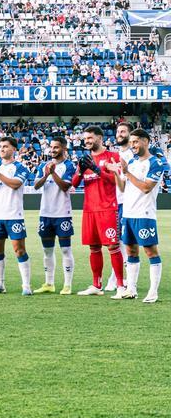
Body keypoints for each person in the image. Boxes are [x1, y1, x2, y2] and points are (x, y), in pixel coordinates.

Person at [109, 128, 163, 303]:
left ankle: (153, 291)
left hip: (144, 214)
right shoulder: (131, 161)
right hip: (129, 213)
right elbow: (123, 188)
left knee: (150, 251)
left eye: (135, 142)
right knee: (130, 250)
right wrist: (117, 173)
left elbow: (146, 187)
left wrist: (126, 173)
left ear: (145, 141)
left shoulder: (155, 163)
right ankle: (131, 289)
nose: (132, 145)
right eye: (131, 142)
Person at [72, 126, 125, 297]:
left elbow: (114, 181)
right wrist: (80, 170)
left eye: (90, 138)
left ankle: (121, 285)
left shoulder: (113, 157)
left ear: (100, 138)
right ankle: (96, 285)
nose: (86, 141)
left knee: (113, 246)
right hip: (89, 210)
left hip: (107, 208)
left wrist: (96, 169)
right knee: (94, 248)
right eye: (85, 138)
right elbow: (74, 183)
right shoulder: (85, 158)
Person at [0, 137, 32, 295]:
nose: (2, 149)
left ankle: (26, 286)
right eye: (0, 147)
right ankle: (0, 284)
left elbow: (15, 184)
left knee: (19, 250)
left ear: (14, 150)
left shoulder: (21, 167)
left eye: (5, 146)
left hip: (14, 216)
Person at [32, 137, 76, 295]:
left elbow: (66, 186)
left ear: (64, 149)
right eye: (51, 147)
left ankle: (67, 285)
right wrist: (45, 175)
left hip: (62, 214)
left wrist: (53, 173)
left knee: (65, 250)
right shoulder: (44, 165)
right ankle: (49, 283)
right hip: (45, 213)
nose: (52, 150)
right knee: (47, 251)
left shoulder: (69, 166)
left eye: (56, 147)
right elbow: (36, 186)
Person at [105, 121, 135, 291]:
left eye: (123, 131)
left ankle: (122, 280)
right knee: (116, 242)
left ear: (130, 135)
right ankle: (118, 278)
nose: (120, 134)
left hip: (126, 202)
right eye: (118, 131)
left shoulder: (132, 155)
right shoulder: (113, 155)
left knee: (123, 242)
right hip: (114, 202)